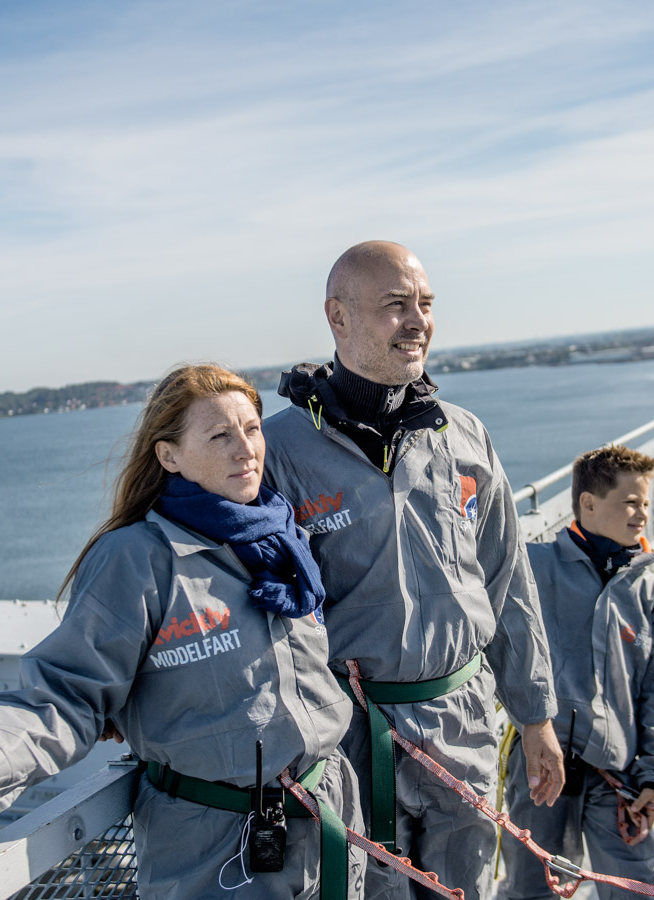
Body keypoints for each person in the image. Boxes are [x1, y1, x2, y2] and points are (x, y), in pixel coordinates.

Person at [0, 364, 366, 899]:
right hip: (218, 854)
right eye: (220, 435)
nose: (246, 449)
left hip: (329, 827)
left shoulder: (283, 543)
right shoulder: (137, 560)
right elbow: (65, 691)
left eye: (252, 429)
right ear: (168, 456)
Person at [262, 240, 563, 899]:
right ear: (337, 318)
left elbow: (509, 583)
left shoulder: (464, 436)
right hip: (352, 738)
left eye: (425, 304)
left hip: (464, 723)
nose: (419, 321)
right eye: (395, 305)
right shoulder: (277, 454)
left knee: (466, 890)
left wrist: (536, 714)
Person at [503, 445, 654, 900]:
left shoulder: (653, 598)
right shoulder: (534, 568)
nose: (642, 513)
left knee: (636, 887)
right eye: (629, 502)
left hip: (620, 775)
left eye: (645, 502)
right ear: (587, 503)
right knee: (533, 886)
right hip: (542, 770)